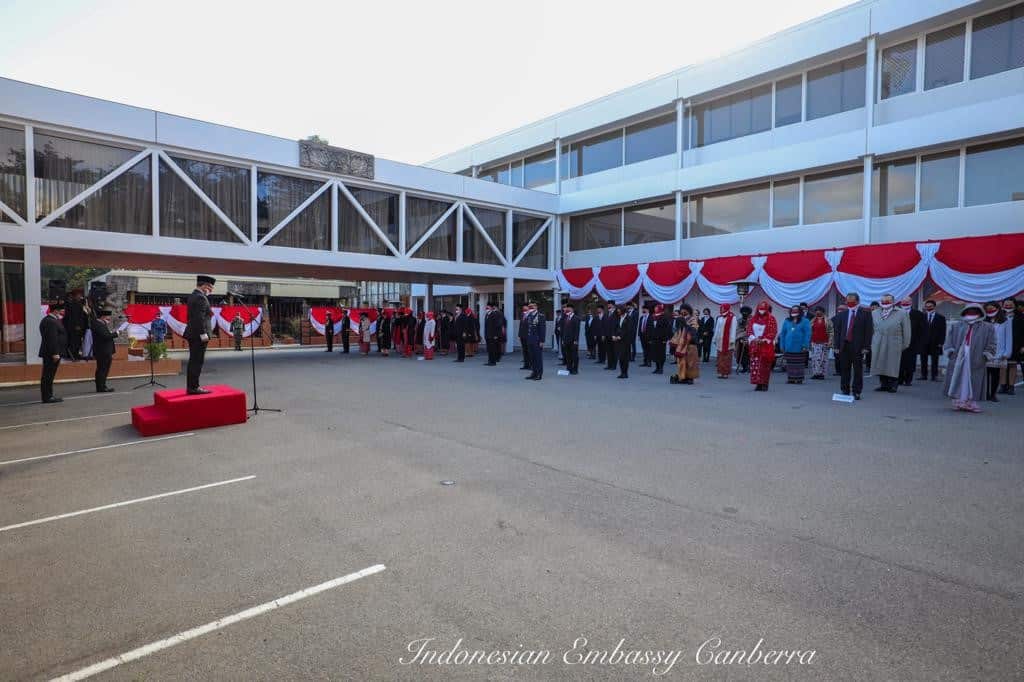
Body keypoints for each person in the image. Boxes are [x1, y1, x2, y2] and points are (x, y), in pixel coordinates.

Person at [944, 303, 997, 413]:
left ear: (980, 313)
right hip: (959, 356)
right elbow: (949, 340)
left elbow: (992, 343)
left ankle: (972, 402)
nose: (971, 314)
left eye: (975, 312)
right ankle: (959, 400)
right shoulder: (957, 325)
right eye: (969, 312)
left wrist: (987, 354)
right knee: (960, 377)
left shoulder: (987, 327)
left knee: (974, 379)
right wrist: (950, 351)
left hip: (977, 356)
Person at [832, 292, 873, 399]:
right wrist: (836, 346)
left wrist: (866, 347)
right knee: (844, 369)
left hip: (858, 346)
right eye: (848, 301)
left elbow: (868, 332)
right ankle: (845, 390)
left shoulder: (865, 314)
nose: (849, 303)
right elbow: (837, 331)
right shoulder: (842, 314)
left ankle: (857, 391)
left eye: (852, 301)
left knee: (858, 370)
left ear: (858, 301)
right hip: (844, 345)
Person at [870, 294, 912, 393]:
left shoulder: (902, 313)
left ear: (893, 302)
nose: (885, 303)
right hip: (879, 341)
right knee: (880, 363)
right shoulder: (875, 313)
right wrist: (872, 342)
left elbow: (907, 330)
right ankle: (883, 384)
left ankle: (893, 385)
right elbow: (872, 329)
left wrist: (905, 344)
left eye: (887, 301)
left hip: (894, 342)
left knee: (893, 365)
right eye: (883, 301)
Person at [183, 275, 215, 395]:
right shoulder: (201, 298)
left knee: (194, 361)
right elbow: (199, 319)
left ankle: (192, 386)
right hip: (198, 335)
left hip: (193, 333)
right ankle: (193, 387)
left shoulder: (193, 296)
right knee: (197, 361)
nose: (211, 290)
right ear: (204, 285)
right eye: (210, 287)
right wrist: (203, 334)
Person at [39, 301, 68, 403]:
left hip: (53, 353)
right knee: (48, 375)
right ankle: (47, 396)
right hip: (51, 353)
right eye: (62, 310)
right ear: (56, 311)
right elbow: (52, 339)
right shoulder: (50, 321)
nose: (63, 311)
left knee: (50, 375)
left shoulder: (53, 320)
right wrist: (55, 353)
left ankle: (49, 395)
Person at [747, 302, 778, 391]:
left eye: (763, 309)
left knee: (765, 365)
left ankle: (764, 383)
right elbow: (749, 330)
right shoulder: (753, 319)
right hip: (755, 344)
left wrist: (764, 339)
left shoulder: (771, 319)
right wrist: (754, 338)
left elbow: (773, 331)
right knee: (755, 365)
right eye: (760, 309)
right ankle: (758, 383)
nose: (761, 311)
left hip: (765, 345)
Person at [778, 305, 811, 384]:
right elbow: (783, 334)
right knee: (790, 363)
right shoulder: (787, 321)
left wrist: (805, 345)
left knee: (799, 363)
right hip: (788, 346)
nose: (794, 312)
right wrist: (782, 345)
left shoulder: (805, 321)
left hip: (800, 346)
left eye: (796, 311)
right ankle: (791, 378)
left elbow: (807, 334)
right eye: (793, 311)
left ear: (800, 312)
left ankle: (799, 379)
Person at [985, 302, 1009, 402]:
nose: (990, 311)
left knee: (995, 374)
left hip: (999, 352)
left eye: (992, 309)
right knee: (985, 375)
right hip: (986, 351)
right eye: (988, 309)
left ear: (998, 309)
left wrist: (1006, 352)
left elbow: (1008, 337)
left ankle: (993, 394)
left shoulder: (1004, 321)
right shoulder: (983, 321)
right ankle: (985, 394)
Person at [668, 305, 699, 385]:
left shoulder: (693, 319)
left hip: (690, 344)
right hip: (681, 345)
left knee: (690, 362)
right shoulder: (680, 319)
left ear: (688, 311)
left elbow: (694, 330)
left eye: (684, 310)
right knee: (682, 362)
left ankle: (690, 378)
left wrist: (685, 325)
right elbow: (677, 331)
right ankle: (682, 377)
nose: (683, 312)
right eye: (681, 310)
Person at [898, 298, 925, 386]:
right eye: (903, 301)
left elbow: (922, 330)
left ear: (911, 302)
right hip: (898, 342)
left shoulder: (918, 314)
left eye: (907, 301)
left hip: (912, 343)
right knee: (899, 362)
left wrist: (920, 343)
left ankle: (908, 380)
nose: (905, 303)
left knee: (910, 362)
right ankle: (899, 379)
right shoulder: (896, 313)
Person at [90, 308, 117, 393]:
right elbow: (106, 336)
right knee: (102, 369)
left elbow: (106, 334)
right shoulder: (97, 324)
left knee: (104, 369)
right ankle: (101, 387)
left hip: (105, 350)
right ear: (102, 317)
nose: (109, 319)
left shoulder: (102, 324)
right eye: (108, 317)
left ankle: (103, 386)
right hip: (102, 351)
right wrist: (116, 334)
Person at [920, 299, 946, 382]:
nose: (928, 308)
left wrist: (941, 342)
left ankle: (934, 376)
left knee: (935, 360)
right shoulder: (922, 316)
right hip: (924, 342)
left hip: (936, 342)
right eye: (927, 307)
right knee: (923, 359)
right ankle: (923, 375)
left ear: (934, 306)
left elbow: (943, 331)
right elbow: (919, 330)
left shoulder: (941, 317)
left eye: (930, 306)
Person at [1000, 298, 1021, 395]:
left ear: (1015, 306)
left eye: (1010, 305)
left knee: (1012, 365)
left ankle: (1011, 386)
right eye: (1006, 305)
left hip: (1016, 344)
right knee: (1002, 365)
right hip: (1001, 344)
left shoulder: (1020, 317)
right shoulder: (999, 316)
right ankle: (1003, 386)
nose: (1008, 306)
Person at [712, 303, 738, 379]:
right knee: (720, 357)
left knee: (727, 357)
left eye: (723, 308)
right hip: (720, 340)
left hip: (728, 340)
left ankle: (726, 373)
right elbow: (717, 329)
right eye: (721, 308)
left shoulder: (732, 317)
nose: (721, 309)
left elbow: (733, 329)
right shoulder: (719, 317)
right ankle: (720, 372)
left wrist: (732, 339)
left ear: (726, 308)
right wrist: (715, 338)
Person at [612, 305, 636, 379]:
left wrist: (620, 337)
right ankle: (622, 372)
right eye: (617, 310)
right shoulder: (619, 318)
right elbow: (615, 327)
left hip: (625, 341)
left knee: (624, 357)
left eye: (619, 310)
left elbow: (627, 329)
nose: (618, 311)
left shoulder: (629, 318)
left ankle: (625, 373)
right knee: (620, 357)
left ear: (622, 310)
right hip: (618, 341)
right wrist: (613, 335)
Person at [808, 306, 833, 380]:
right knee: (815, 359)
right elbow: (809, 332)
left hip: (824, 342)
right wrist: (809, 342)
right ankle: (815, 373)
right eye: (816, 310)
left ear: (823, 312)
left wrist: (830, 342)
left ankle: (821, 374)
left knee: (823, 359)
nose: (817, 312)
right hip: (814, 342)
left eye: (819, 310)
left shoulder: (828, 320)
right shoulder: (812, 320)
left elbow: (831, 332)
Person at [62, 289, 86, 361]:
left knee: (78, 341)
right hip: (74, 327)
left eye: (81, 295)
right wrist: (77, 325)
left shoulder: (79, 303)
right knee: (74, 341)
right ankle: (72, 354)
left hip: (78, 326)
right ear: (75, 296)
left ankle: (76, 353)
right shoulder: (73, 303)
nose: (80, 296)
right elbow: (74, 316)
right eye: (79, 295)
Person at [524, 301, 546, 380]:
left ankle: (539, 374)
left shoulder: (540, 316)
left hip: (537, 341)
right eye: (529, 307)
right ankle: (534, 373)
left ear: (536, 307)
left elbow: (542, 329)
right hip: (530, 340)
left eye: (532, 307)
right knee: (532, 357)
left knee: (538, 358)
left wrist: (542, 341)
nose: (530, 308)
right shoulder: (529, 315)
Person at [648, 304, 672, 375]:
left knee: (661, 354)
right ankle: (657, 368)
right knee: (655, 354)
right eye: (655, 308)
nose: (655, 309)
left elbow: (667, 329)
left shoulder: (664, 317)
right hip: (654, 339)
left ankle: (661, 368)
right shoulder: (653, 316)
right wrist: (650, 338)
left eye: (656, 308)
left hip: (661, 339)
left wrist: (665, 339)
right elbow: (650, 328)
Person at [561, 303, 581, 374]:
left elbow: (577, 330)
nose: (567, 310)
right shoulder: (565, 318)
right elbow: (564, 330)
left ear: (572, 309)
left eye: (569, 309)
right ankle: (569, 368)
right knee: (568, 355)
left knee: (574, 355)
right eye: (567, 309)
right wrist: (563, 339)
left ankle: (575, 369)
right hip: (566, 340)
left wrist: (576, 340)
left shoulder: (576, 318)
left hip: (573, 340)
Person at [484, 301, 504, 365]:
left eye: (488, 306)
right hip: (487, 335)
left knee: (493, 349)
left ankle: (493, 362)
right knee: (489, 349)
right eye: (486, 306)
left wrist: (496, 335)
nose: (486, 307)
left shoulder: (494, 314)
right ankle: (489, 361)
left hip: (493, 335)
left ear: (491, 307)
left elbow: (497, 325)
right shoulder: (487, 314)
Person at [735, 306, 752, 374]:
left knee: (748, 354)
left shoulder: (752, 320)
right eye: (743, 313)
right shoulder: (739, 320)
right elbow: (737, 330)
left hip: (749, 340)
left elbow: (752, 330)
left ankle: (748, 367)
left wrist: (748, 337)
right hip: (740, 340)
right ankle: (743, 366)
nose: (745, 314)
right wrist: (741, 336)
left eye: (746, 313)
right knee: (739, 354)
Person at [603, 302, 619, 371]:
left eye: (610, 304)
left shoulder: (617, 313)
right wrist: (603, 334)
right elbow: (604, 325)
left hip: (614, 336)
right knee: (608, 351)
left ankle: (614, 365)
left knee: (614, 351)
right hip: (607, 335)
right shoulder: (607, 313)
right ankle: (609, 365)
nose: (608, 306)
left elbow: (618, 325)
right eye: (608, 305)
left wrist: (615, 335)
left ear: (613, 305)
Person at [518, 305, 531, 370]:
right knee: (524, 351)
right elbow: (520, 325)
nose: (524, 308)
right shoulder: (522, 315)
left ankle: (531, 365)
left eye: (525, 307)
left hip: (528, 336)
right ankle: (526, 365)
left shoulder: (531, 315)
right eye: (523, 307)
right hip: (522, 336)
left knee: (529, 351)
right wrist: (519, 335)